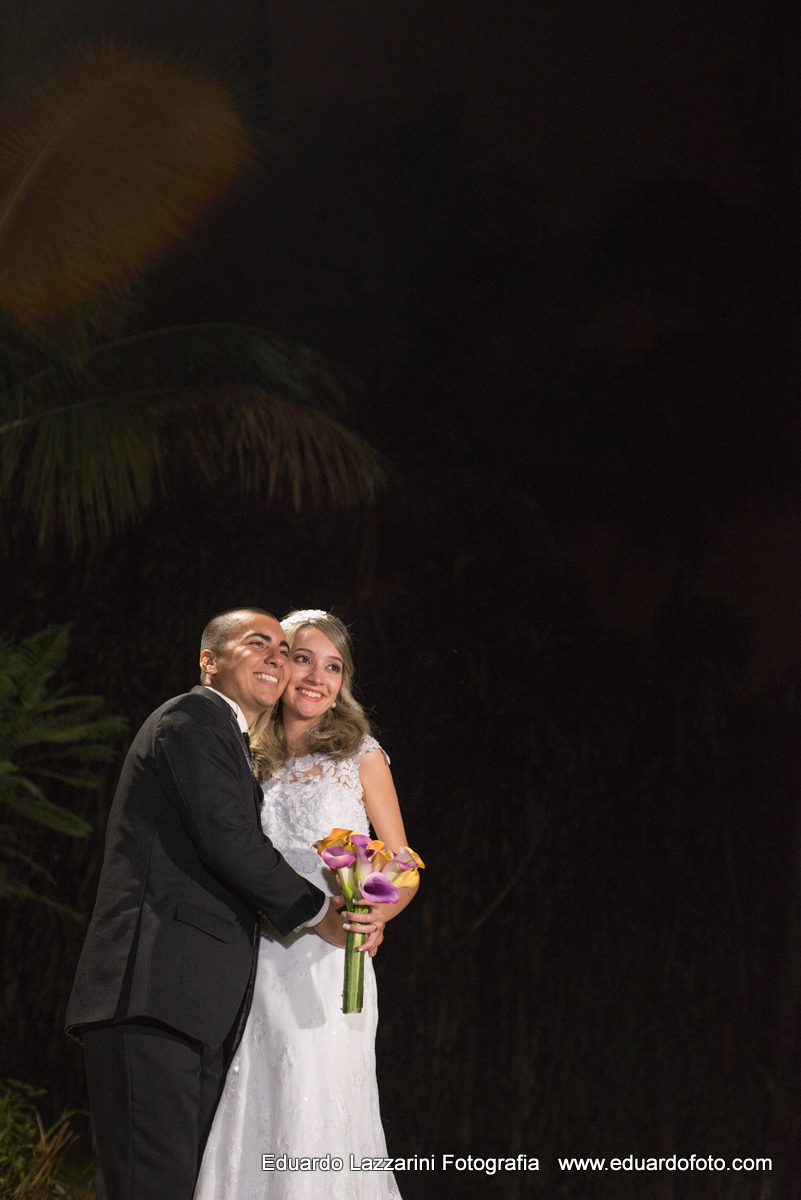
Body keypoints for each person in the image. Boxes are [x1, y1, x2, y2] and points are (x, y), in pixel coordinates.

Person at [66, 608, 357, 1200]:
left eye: (284, 647)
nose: (278, 657)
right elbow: (230, 841)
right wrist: (321, 914)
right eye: (259, 644)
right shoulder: (191, 719)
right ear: (209, 660)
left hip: (192, 1005)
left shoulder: (227, 741)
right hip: (152, 995)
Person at [194, 609, 417, 1200]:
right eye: (303, 659)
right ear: (278, 666)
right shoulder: (244, 759)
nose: (318, 677)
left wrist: (376, 914)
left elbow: (402, 861)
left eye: (333, 666)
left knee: (320, 1114)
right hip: (256, 960)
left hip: (329, 968)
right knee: (258, 1104)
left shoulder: (359, 755)